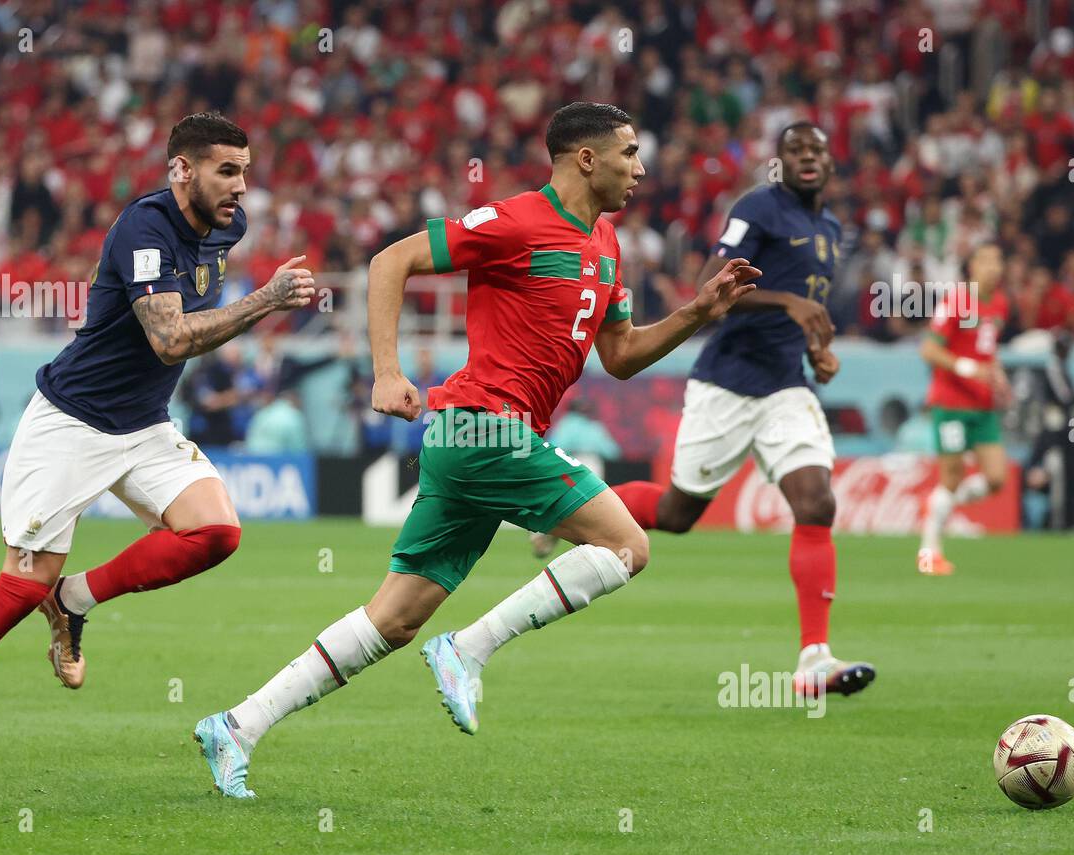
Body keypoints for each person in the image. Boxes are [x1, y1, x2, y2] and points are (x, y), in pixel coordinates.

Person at [192, 102, 759, 798]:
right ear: (586, 158)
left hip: (482, 440)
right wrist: (389, 371)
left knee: (393, 619)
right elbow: (389, 260)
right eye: (629, 152)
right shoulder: (517, 222)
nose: (640, 168)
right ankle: (469, 647)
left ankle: (237, 726)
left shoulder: (607, 243)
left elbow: (621, 355)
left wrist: (696, 314)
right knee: (627, 548)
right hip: (483, 427)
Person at [0, 112, 314, 765]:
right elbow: (170, 338)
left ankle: (77, 597)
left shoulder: (228, 229)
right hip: (73, 421)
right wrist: (266, 300)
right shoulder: (143, 230)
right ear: (182, 171)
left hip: (143, 423)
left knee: (216, 532)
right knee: (20, 587)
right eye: (225, 171)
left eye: (245, 172)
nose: (240, 187)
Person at [545, 122, 874, 698]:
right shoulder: (759, 208)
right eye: (795, 150)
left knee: (817, 501)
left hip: (785, 388)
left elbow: (809, 312)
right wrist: (788, 302)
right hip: (726, 384)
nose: (806, 159)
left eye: (816, 150)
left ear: (829, 162)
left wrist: (818, 353)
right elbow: (709, 284)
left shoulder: (829, 227)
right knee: (675, 514)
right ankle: (566, 509)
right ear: (781, 161)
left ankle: (813, 660)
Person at [917, 242, 1012, 574]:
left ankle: (939, 506)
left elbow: (988, 352)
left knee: (997, 478)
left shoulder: (999, 304)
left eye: (998, 260)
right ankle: (929, 554)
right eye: (986, 261)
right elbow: (928, 349)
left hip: (982, 407)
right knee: (952, 477)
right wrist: (967, 369)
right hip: (951, 404)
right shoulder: (958, 300)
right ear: (972, 267)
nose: (994, 267)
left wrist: (998, 377)